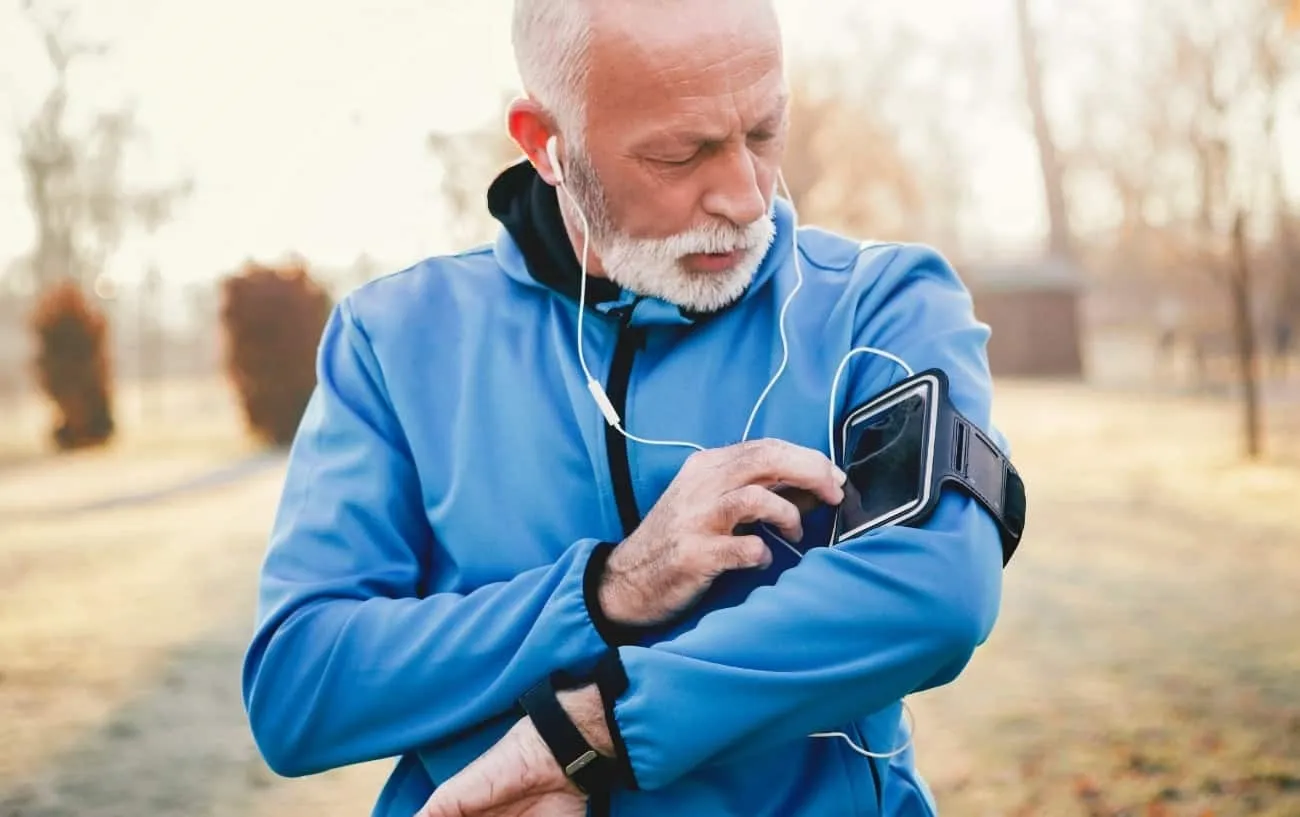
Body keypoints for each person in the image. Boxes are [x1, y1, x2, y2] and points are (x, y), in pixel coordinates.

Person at [241, 0, 1013, 815]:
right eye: (682, 155)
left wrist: (588, 728)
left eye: (763, 132)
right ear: (546, 145)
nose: (746, 198)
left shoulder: (880, 303)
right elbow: (301, 689)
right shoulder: (394, 339)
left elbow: (938, 589)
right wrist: (607, 588)